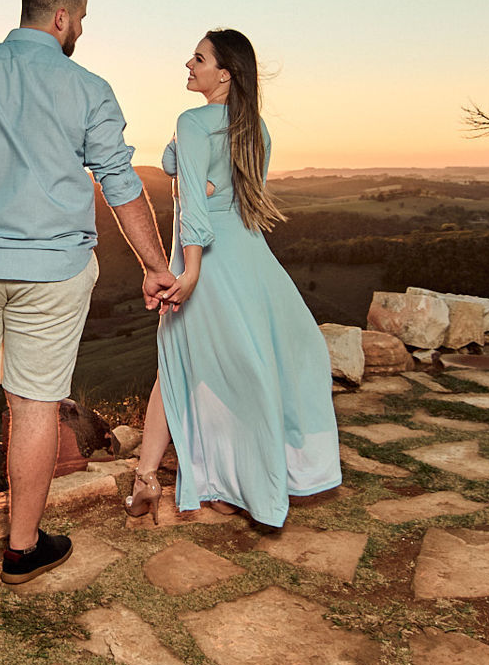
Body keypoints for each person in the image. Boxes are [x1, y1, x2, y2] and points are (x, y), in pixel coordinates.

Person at [0, 0, 178, 583]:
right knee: (34, 404)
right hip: (54, 272)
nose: (80, 29)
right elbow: (119, 183)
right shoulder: (89, 88)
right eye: (79, 18)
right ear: (61, 17)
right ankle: (22, 550)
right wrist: (155, 266)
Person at [125, 28, 341, 525]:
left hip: (208, 259)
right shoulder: (254, 128)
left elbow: (193, 203)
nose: (189, 64)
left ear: (224, 74)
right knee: (217, 360)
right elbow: (241, 196)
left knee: (190, 363)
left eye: (198, 58)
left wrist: (191, 270)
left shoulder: (193, 122)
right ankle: (175, 477)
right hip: (249, 255)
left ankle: (205, 481)